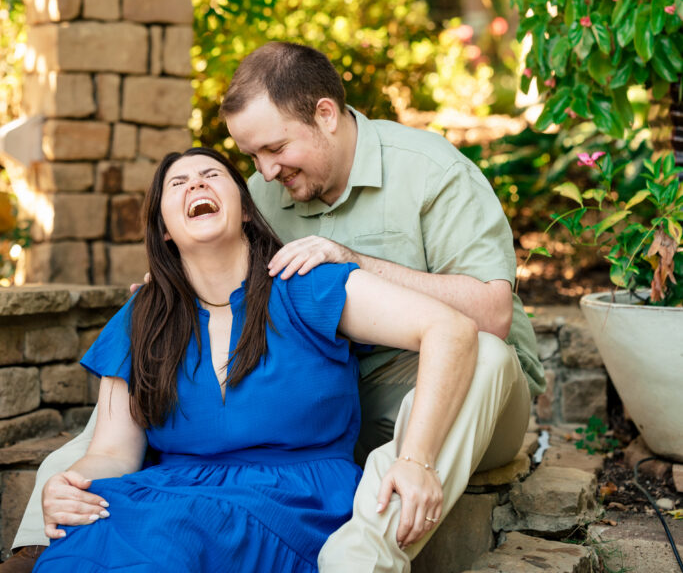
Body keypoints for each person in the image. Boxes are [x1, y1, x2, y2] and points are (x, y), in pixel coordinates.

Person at [9, 42, 544, 572]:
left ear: (325, 116)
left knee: (483, 351)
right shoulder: (263, 190)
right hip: (324, 388)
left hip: (445, 388)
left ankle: (361, 556)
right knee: (101, 435)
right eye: (249, 158)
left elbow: (489, 313)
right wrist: (172, 287)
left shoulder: (430, 171)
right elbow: (216, 256)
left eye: (274, 149)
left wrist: (354, 260)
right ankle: (37, 548)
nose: (263, 172)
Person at [32, 147, 476, 573]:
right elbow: (112, 452)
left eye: (211, 176)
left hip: (295, 503)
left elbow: (449, 329)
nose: (195, 186)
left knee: (169, 541)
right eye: (178, 183)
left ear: (245, 209)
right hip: (167, 499)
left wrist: (416, 459)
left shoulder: (304, 284)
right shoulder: (143, 314)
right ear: (164, 228)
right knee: (82, 544)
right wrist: (69, 485)